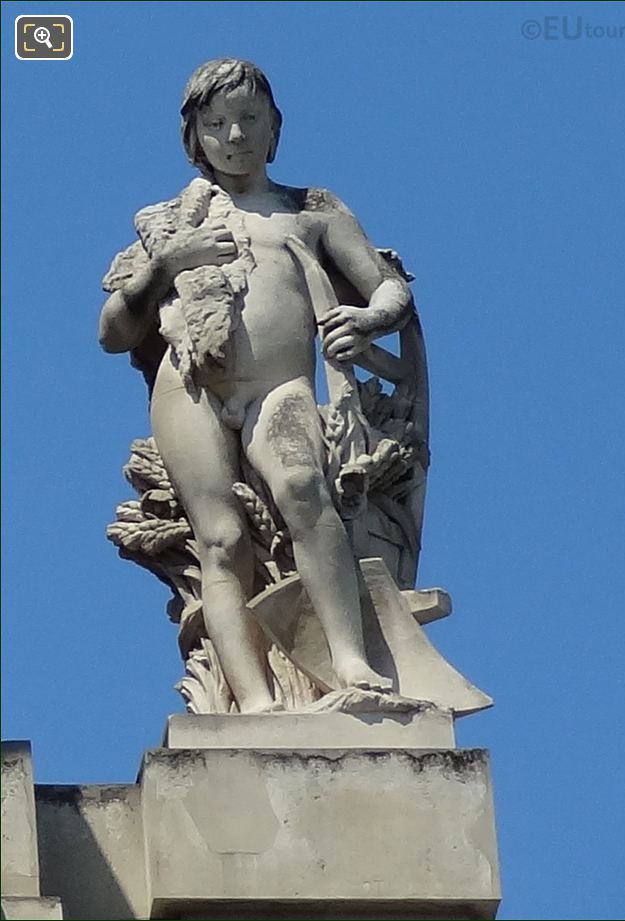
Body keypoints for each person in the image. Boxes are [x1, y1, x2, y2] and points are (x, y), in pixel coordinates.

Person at [99, 58, 412, 712]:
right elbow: (113, 331)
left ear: (274, 128)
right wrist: (165, 266)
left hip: (281, 388)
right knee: (220, 539)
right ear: (195, 139)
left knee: (303, 488)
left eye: (249, 119)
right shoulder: (168, 221)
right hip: (190, 388)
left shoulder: (309, 209)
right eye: (216, 124)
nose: (234, 135)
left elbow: (388, 286)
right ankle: (254, 701)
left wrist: (370, 316)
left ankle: (349, 659)